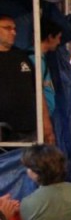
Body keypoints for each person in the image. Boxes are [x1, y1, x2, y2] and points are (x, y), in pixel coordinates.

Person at [0, 14, 38, 142]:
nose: (13, 32)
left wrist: (45, 123)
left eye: (14, 28)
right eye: (7, 28)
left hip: (26, 129)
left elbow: (37, 91)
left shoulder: (22, 57)